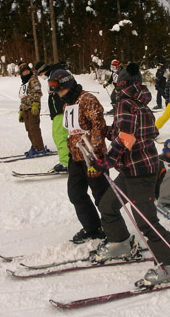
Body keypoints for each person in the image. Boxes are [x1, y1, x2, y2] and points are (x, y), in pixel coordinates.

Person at [91, 62, 170, 286]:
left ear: (121, 85)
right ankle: (120, 242)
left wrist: (108, 161)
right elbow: (127, 132)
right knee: (108, 205)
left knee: (146, 221)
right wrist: (103, 129)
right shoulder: (138, 104)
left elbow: (126, 138)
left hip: (140, 173)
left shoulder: (126, 103)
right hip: (132, 170)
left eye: (117, 84)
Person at [48, 69, 109, 243]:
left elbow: (98, 126)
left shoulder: (87, 100)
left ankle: (114, 231)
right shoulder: (67, 104)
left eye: (59, 90)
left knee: (102, 196)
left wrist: (96, 154)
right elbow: (72, 132)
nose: (58, 94)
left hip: (92, 156)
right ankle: (93, 228)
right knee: (75, 193)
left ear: (67, 84)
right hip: (76, 157)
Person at [36, 62, 69, 172]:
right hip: (57, 111)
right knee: (57, 135)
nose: (41, 76)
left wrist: (64, 104)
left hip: (60, 110)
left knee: (60, 136)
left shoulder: (56, 75)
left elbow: (64, 91)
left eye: (39, 73)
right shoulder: (52, 75)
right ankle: (66, 160)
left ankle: (66, 162)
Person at [19, 62, 46, 156]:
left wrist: (35, 104)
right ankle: (34, 145)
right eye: (23, 72)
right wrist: (21, 110)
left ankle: (39, 148)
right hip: (26, 108)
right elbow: (22, 97)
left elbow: (38, 92)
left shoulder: (33, 80)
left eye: (27, 71)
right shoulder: (24, 84)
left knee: (34, 127)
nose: (25, 73)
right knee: (28, 128)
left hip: (32, 107)